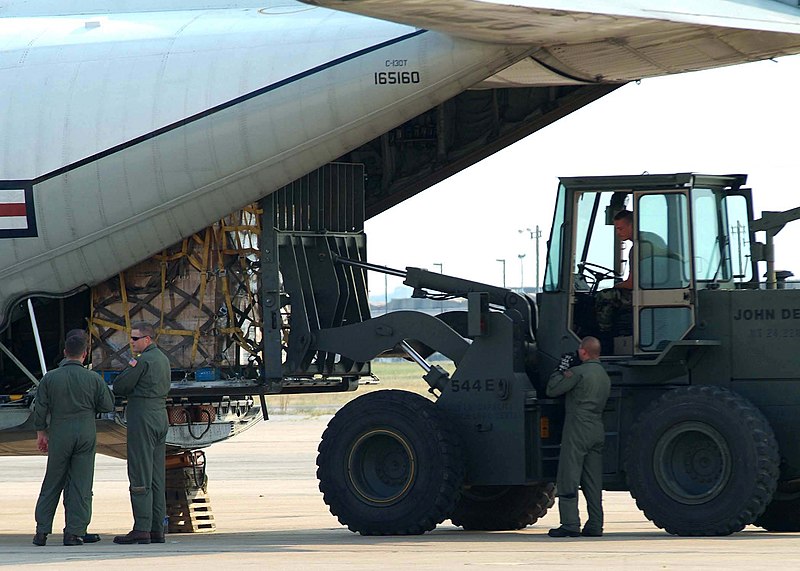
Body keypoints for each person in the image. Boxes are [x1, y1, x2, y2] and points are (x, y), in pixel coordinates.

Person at [32, 333, 115, 546]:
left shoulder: (50, 378)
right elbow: (107, 405)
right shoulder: (93, 378)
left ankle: (42, 532)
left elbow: (39, 408)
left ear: (65, 353)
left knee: (52, 481)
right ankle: (74, 533)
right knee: (81, 484)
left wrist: (41, 433)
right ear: (85, 354)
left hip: (60, 432)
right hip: (85, 432)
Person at [545, 336, 611, 538]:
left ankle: (570, 523)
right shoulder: (604, 375)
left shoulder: (579, 373)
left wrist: (560, 370)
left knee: (568, 476)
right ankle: (595, 524)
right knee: (592, 481)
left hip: (578, 428)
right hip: (597, 427)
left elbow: (552, 390)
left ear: (583, 352)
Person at [112, 322, 171, 545]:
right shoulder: (163, 359)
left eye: (135, 338)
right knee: (157, 475)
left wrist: (128, 368)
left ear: (148, 339)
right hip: (160, 416)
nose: (132, 342)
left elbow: (121, 386)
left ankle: (142, 527)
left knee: (139, 472)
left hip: (143, 417)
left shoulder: (143, 360)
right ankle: (157, 529)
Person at [594, 210, 669, 341]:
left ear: (632, 225)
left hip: (645, 294)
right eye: (617, 229)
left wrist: (616, 285)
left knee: (604, 296)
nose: (618, 233)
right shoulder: (654, 239)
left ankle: (604, 339)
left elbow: (632, 283)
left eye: (621, 228)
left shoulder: (639, 248)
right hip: (659, 290)